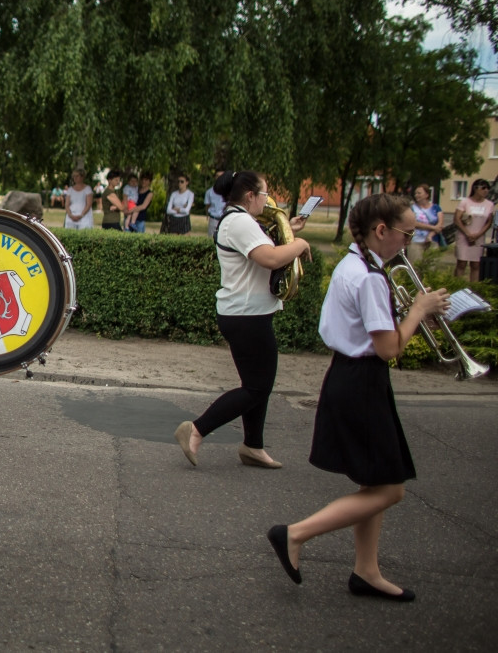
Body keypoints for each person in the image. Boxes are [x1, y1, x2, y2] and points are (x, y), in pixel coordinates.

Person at [266, 192, 449, 602]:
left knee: (375, 480)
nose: (409, 243)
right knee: (390, 488)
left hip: (349, 376)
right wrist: (418, 311)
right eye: (407, 234)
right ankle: (294, 534)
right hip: (362, 380)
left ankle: (366, 570)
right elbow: (389, 348)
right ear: (381, 230)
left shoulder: (354, 264)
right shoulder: (370, 277)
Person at [174, 170, 310, 469]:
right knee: (257, 387)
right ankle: (196, 429)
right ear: (250, 195)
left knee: (255, 384)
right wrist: (299, 245)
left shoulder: (239, 220)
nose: (267, 199)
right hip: (247, 315)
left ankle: (253, 447)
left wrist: (291, 231)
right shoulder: (240, 221)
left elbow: (266, 250)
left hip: (246, 313)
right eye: (264, 193)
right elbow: (272, 259)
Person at [454, 178, 495, 281]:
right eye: (483, 188)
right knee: (462, 263)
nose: (486, 191)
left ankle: (473, 288)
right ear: (475, 188)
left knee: (476, 264)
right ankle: (457, 285)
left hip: (478, 237)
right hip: (464, 236)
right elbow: (457, 219)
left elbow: (489, 222)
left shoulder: (489, 204)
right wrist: (467, 233)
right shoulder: (465, 202)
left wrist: (478, 235)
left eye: (487, 188)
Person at [409, 184, 443, 260]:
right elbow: (413, 223)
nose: (416, 195)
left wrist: (430, 235)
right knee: (415, 267)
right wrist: (433, 227)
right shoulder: (412, 208)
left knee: (431, 267)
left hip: (432, 241)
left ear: (427, 194)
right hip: (415, 241)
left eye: (419, 193)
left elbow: (440, 225)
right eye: (415, 193)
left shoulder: (436, 208)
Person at [204, 171, 226, 238]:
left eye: (221, 176)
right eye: (217, 176)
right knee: (211, 239)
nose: (219, 178)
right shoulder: (209, 192)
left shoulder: (229, 192)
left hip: (225, 219)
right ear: (215, 177)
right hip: (213, 219)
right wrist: (207, 215)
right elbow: (207, 205)